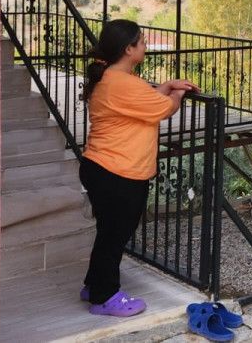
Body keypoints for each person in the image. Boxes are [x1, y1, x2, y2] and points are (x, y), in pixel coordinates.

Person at [78, 19, 198, 317]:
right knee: (114, 235)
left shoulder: (114, 79)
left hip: (103, 167)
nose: (145, 46)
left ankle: (94, 285)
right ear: (128, 49)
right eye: (141, 41)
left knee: (108, 232)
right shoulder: (123, 83)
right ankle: (104, 296)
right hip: (118, 172)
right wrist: (177, 94)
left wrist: (166, 86)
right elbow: (161, 109)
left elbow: (142, 103)